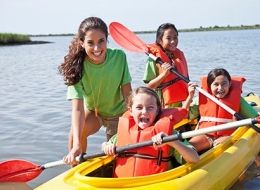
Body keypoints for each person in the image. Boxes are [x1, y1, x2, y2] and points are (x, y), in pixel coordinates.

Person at [59, 17, 132, 166]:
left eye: (101, 41)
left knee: (115, 157)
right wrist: (76, 146)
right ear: (82, 43)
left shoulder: (119, 57)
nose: (97, 48)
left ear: (107, 39)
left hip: (119, 113)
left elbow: (128, 94)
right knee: (75, 135)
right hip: (95, 113)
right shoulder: (76, 67)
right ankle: (76, 167)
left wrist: (131, 121)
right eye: (90, 43)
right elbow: (78, 109)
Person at [101, 86, 199, 178]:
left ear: (157, 111)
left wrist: (172, 142)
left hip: (155, 184)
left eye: (150, 107)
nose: (144, 112)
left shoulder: (168, 134)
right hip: (124, 184)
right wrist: (106, 146)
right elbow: (105, 145)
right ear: (130, 111)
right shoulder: (121, 135)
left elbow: (195, 159)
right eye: (139, 107)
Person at [183, 68, 260, 152]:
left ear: (229, 84)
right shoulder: (200, 98)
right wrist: (190, 96)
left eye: (224, 84)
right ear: (210, 86)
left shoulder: (238, 100)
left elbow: (256, 118)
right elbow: (184, 115)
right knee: (186, 150)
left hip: (226, 135)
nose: (220, 88)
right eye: (216, 84)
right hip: (205, 135)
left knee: (218, 149)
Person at [143, 23, 189, 108]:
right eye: (168, 38)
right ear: (159, 40)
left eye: (175, 37)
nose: (173, 41)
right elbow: (148, 87)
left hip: (178, 105)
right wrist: (164, 74)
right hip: (161, 106)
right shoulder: (153, 59)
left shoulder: (178, 57)